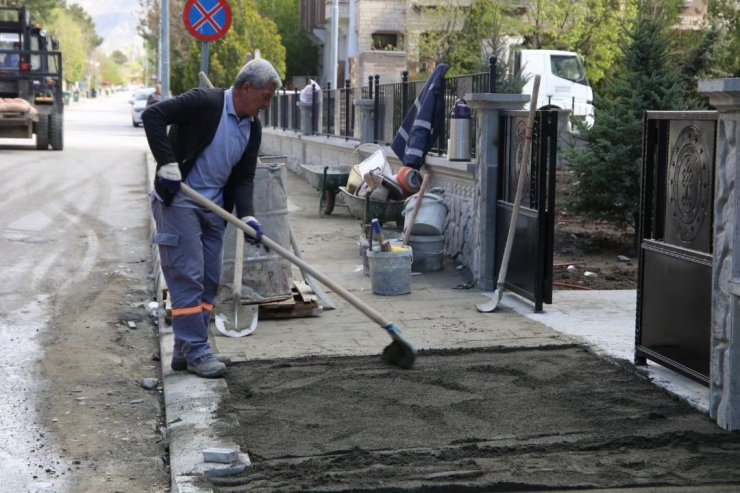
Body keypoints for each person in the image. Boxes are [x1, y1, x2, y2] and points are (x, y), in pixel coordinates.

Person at [142, 59, 281, 378]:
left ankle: (187, 348)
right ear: (247, 88)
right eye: (266, 96)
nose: (268, 104)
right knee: (188, 276)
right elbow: (154, 115)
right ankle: (198, 350)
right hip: (180, 201)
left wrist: (248, 216)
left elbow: (244, 177)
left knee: (209, 279)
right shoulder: (206, 102)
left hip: (214, 207)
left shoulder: (252, 126)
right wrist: (167, 163)